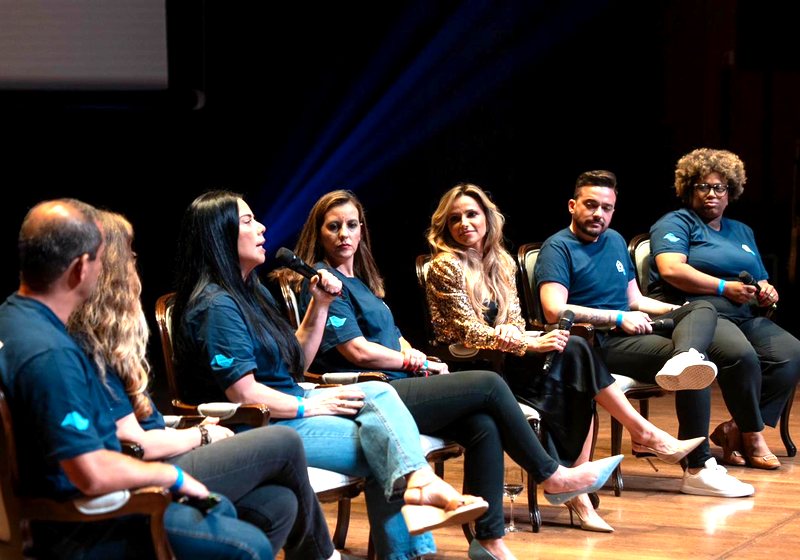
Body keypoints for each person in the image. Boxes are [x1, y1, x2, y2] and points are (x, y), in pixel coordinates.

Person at [171, 190, 622, 560]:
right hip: (270, 424)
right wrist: (317, 399)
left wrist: (321, 307)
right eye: (248, 221)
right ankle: (540, 480)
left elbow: (293, 363)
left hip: (304, 405)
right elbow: (249, 393)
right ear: (221, 234)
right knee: (461, 400)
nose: (262, 227)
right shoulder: (217, 306)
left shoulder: (251, 294)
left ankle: (486, 540)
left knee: (476, 424)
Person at [67, 209, 356, 560]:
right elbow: (132, 442)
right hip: (146, 474)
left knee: (279, 503)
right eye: (127, 254)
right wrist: (200, 435)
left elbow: (295, 365)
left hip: (170, 450)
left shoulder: (253, 294)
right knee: (283, 441)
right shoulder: (84, 346)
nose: (134, 262)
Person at [0, 199, 274, 559]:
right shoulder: (52, 353)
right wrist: (173, 478)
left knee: (264, 504)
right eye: (102, 259)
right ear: (82, 268)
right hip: (87, 526)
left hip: (84, 505)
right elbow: (92, 472)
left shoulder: (13, 318)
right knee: (248, 544)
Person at [424, 182, 707, 530]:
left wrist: (515, 332)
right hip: (473, 367)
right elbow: (467, 331)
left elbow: (513, 316)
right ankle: (630, 446)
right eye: (455, 219)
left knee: (575, 352)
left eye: (472, 214)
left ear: (487, 218)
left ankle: (584, 485)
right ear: (446, 226)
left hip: (506, 358)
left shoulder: (500, 261)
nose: (465, 223)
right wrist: (525, 344)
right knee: (575, 360)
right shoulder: (445, 266)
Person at [535, 170, 756, 498]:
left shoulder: (613, 240)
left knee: (703, 308)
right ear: (572, 205)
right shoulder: (558, 248)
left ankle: (685, 355)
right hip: (598, 343)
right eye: (591, 205)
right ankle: (698, 468)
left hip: (632, 331)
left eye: (606, 207)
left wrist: (678, 311)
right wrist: (619, 316)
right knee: (697, 368)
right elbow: (555, 310)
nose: (599, 213)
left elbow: (636, 300)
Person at [648, 148, 800, 470]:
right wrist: (722, 287)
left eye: (720, 188)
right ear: (689, 189)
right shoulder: (676, 222)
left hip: (744, 314)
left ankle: (733, 428)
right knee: (741, 355)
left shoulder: (742, 231)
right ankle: (754, 435)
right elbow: (671, 269)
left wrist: (765, 290)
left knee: (791, 352)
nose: (712, 194)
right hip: (700, 313)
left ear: (731, 192)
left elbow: (759, 277)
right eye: (703, 186)